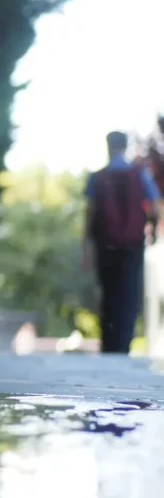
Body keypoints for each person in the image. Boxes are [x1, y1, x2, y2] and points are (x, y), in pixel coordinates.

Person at [83, 131, 161, 354]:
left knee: (109, 293)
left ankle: (108, 343)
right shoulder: (140, 175)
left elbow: (90, 213)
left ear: (108, 146)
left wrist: (87, 245)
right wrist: (152, 230)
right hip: (133, 243)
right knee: (128, 293)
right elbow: (154, 205)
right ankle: (122, 345)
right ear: (125, 146)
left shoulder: (97, 177)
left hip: (105, 244)